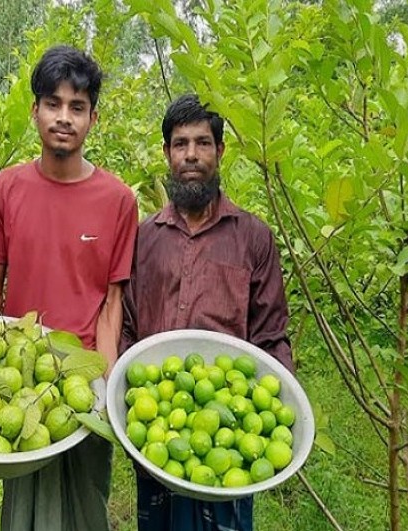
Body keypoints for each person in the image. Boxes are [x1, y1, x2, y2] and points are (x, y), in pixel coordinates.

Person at [0, 45, 138, 530]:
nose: (64, 117)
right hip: (21, 376)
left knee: (88, 502)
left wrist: (105, 388)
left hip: (84, 379)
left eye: (77, 107)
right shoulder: (5, 189)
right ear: (35, 110)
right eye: (53, 103)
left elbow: (112, 304)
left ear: (93, 118)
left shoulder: (118, 200)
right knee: (22, 508)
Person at [121, 94, 294, 531]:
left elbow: (271, 333)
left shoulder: (253, 237)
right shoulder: (144, 238)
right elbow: (126, 323)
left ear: (220, 151)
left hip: (233, 432)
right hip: (155, 418)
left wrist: (281, 407)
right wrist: (120, 404)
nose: (191, 155)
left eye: (202, 142)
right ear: (166, 153)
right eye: (180, 144)